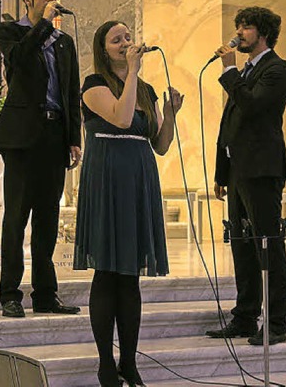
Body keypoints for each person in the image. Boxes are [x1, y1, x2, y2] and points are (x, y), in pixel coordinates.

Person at [74, 20, 183, 387]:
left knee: (131, 277)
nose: (126, 43)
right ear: (103, 49)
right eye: (116, 39)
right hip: (108, 179)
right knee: (107, 273)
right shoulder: (94, 85)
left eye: (128, 37)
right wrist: (133, 71)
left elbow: (161, 144)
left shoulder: (146, 89)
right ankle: (106, 363)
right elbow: (121, 118)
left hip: (139, 179)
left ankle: (130, 362)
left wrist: (170, 114)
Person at [0, 0, 82, 318]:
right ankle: (10, 294)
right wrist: (42, 25)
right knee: (16, 217)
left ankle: (45, 292)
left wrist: (74, 138)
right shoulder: (10, 31)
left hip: (53, 135)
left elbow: (70, 91)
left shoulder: (63, 42)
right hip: (22, 137)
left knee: (48, 217)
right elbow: (19, 63)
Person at [205, 6, 286, 346]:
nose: (239, 32)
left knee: (267, 247)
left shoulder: (276, 69)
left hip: (262, 170)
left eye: (247, 27)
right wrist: (221, 172)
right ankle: (244, 316)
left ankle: (275, 325)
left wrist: (229, 71)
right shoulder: (246, 71)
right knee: (242, 246)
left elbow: (254, 108)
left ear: (264, 33)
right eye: (238, 26)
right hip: (239, 170)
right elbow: (231, 125)